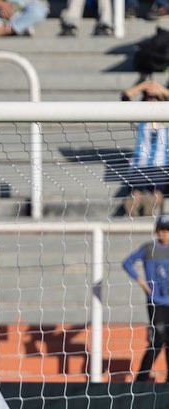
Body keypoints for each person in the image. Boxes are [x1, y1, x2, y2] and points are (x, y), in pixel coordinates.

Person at [123, 215, 169, 382]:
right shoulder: (149, 248)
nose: (165, 234)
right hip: (156, 302)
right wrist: (140, 280)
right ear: (157, 231)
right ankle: (141, 379)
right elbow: (127, 262)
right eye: (162, 230)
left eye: (168, 230)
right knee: (158, 341)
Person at [117, 80, 169, 217]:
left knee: (157, 192)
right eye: (149, 98)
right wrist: (144, 86)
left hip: (162, 165)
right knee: (136, 192)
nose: (152, 100)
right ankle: (134, 210)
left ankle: (149, 210)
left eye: (155, 98)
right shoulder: (140, 118)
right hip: (140, 164)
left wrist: (161, 90)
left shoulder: (166, 118)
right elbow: (125, 97)